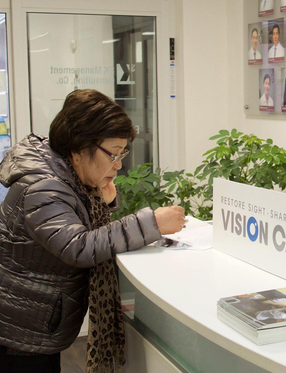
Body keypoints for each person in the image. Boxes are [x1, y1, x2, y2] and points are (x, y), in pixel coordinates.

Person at [0, 89, 185, 373]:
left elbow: (69, 220)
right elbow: (78, 246)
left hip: (30, 320)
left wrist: (105, 201)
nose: (119, 164)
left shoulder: (61, 172)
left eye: (122, 153)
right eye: (113, 154)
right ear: (77, 149)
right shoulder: (43, 185)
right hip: (20, 330)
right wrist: (152, 223)